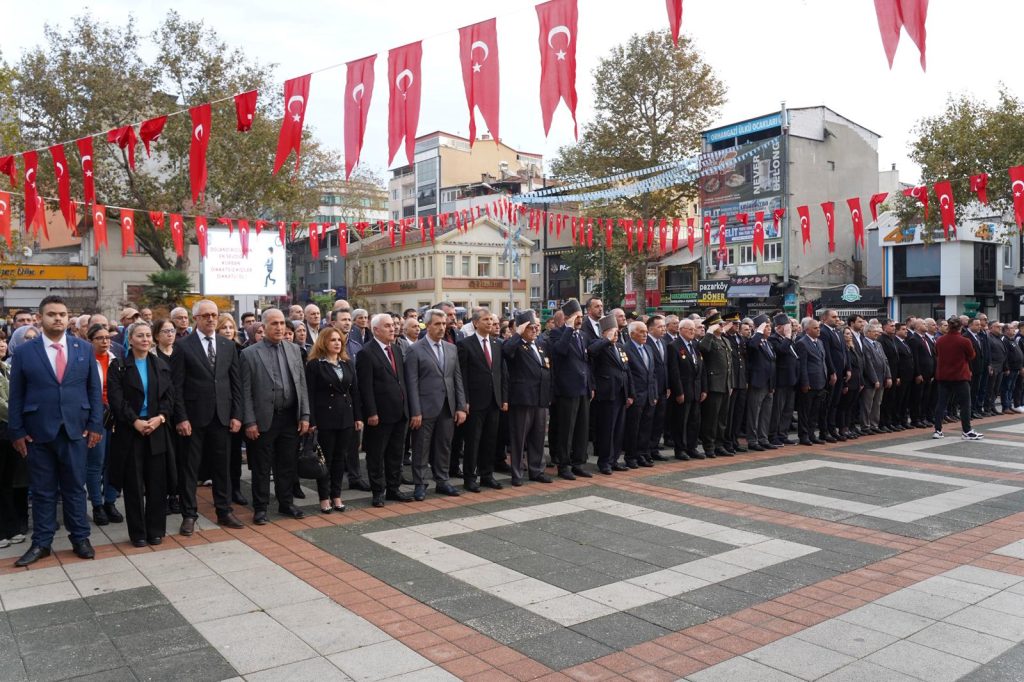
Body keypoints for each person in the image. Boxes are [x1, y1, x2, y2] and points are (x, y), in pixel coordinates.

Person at [8, 295, 104, 566]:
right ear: (40, 318)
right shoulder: (26, 351)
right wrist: (16, 431)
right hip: (37, 432)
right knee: (42, 491)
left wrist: (95, 424)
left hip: (76, 430)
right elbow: (16, 394)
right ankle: (42, 542)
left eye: (62, 314)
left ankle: (80, 538)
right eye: (52, 314)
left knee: (75, 487)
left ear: (68, 318)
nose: (58, 318)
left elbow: (94, 391)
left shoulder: (83, 349)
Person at [171, 299, 245, 535]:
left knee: (221, 468)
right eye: (206, 316)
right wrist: (181, 417)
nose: (211, 319)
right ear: (196, 319)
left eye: (214, 315)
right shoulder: (183, 346)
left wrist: (236, 414)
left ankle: (224, 511)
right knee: (190, 469)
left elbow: (235, 384)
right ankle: (189, 514)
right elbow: (176, 387)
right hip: (193, 418)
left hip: (222, 417)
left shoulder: (227, 345)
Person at [107, 322, 176, 546]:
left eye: (148, 335)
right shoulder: (118, 365)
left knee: (157, 481)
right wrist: (134, 420)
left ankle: (155, 530)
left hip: (156, 427)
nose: (145, 339)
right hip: (131, 430)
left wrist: (161, 417)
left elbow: (169, 396)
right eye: (140, 336)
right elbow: (116, 399)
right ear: (130, 339)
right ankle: (138, 533)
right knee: (134, 484)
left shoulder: (160, 364)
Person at [240, 308, 310, 524]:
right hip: (263, 419)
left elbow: (301, 384)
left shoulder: (294, 350)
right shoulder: (249, 353)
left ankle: (286, 503)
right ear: (264, 327)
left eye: (282, 323)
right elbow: (245, 391)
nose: (279, 327)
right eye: (274, 324)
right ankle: (260, 508)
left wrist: (305, 414)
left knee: (287, 463)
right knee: (261, 466)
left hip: (289, 417)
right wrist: (249, 421)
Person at [405, 309, 468, 499]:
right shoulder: (415, 349)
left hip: (447, 406)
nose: (442, 327)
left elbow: (457, 378)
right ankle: (420, 483)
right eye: (437, 324)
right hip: (425, 408)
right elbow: (412, 383)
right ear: (427, 325)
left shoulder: (451, 348)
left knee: (444, 446)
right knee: (421, 448)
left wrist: (460, 406)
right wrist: (415, 411)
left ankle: (442, 480)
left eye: (443, 324)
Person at [358, 314, 412, 507]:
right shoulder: (367, 353)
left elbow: (401, 381)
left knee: (396, 453)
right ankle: (377, 491)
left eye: (393, 325)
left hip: (400, 412)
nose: (392, 329)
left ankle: (393, 488)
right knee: (376, 454)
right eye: (387, 326)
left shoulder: (396, 350)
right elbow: (365, 387)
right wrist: (371, 412)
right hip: (380, 414)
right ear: (376, 330)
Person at [306, 327, 362, 513]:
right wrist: (312, 421)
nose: (337, 343)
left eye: (339, 340)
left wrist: (358, 417)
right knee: (325, 460)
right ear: (324, 342)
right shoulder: (315, 365)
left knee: (340, 459)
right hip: (325, 418)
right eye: (333, 340)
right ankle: (324, 498)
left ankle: (336, 495)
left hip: (345, 416)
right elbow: (310, 394)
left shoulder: (347, 363)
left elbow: (354, 391)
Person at [457, 307, 507, 492]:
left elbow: (501, 373)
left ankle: (487, 475)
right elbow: (462, 375)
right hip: (475, 402)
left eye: (491, 320)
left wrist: (503, 397)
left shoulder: (497, 344)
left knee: (490, 440)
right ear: (476, 322)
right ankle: (470, 478)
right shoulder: (465, 345)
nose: (490, 323)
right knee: (473, 441)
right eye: (486, 319)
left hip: (494, 400)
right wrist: (465, 401)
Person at [504, 310, 554, 484]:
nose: (534, 330)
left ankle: (536, 470)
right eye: (530, 327)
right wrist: (517, 334)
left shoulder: (540, 345)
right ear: (522, 329)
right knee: (519, 438)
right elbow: (506, 352)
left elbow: (547, 370)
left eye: (536, 327)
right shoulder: (516, 345)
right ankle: (517, 473)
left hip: (540, 398)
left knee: (538, 436)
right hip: (523, 399)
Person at [549, 299, 593, 479]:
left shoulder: (582, 335)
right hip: (566, 389)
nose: (580, 320)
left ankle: (578, 462)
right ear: (567, 318)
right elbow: (560, 350)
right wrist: (567, 328)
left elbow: (586, 362)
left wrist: (591, 385)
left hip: (583, 388)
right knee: (566, 429)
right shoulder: (556, 333)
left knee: (582, 428)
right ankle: (564, 465)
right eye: (576, 317)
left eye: (581, 317)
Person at [85, 323, 123, 526]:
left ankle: (110, 502)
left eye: (107, 338)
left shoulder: (117, 359)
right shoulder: (86, 361)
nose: (105, 341)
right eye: (100, 338)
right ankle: (97, 505)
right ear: (90, 341)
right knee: (96, 462)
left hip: (116, 416)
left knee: (114, 461)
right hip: (96, 417)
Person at [589, 313, 634, 474]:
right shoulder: (599, 344)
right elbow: (591, 352)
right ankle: (604, 462)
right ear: (605, 332)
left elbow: (626, 371)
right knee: (607, 430)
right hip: (607, 394)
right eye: (613, 332)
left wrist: (630, 394)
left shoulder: (620, 347)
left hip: (621, 393)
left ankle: (614, 459)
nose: (616, 335)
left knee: (618, 430)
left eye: (617, 332)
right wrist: (606, 339)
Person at [933, 317, 983, 440]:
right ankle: (966, 431)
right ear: (961, 327)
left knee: (941, 403)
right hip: (960, 376)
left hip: (943, 376)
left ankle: (937, 430)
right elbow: (972, 355)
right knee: (965, 404)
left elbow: (936, 353)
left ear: (948, 327)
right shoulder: (964, 341)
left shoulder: (939, 340)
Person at [217, 314, 248, 506]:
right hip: (219, 407)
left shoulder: (240, 350)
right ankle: (222, 491)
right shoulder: (214, 351)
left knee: (235, 453)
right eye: (224, 328)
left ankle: (235, 489)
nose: (228, 331)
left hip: (236, 407)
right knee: (221, 453)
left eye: (231, 327)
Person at [0, 353, 28, 549]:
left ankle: (11, 528)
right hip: (6, 425)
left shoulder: (7, 368)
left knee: (8, 481)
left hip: (9, 432)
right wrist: (19, 413)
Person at [667, 319, 705, 460]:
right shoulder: (674, 346)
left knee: (694, 421)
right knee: (681, 422)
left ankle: (692, 447)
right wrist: (679, 392)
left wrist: (704, 389)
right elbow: (674, 371)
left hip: (696, 390)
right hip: (683, 390)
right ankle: (680, 449)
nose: (692, 331)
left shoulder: (695, 345)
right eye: (689, 329)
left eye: (693, 329)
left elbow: (702, 368)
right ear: (681, 329)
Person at [623, 321, 657, 468]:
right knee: (633, 428)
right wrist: (630, 394)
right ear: (632, 334)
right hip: (636, 395)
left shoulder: (648, 348)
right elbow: (628, 374)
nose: (645, 334)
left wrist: (654, 393)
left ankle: (642, 454)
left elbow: (653, 373)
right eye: (641, 332)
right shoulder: (626, 349)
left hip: (649, 395)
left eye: (645, 331)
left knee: (646, 427)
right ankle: (631, 457)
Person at [699, 312, 733, 458]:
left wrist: (730, 384)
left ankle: (719, 444)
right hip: (714, 385)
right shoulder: (708, 340)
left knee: (722, 419)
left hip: (725, 385)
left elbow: (729, 365)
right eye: (718, 324)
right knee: (711, 419)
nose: (722, 326)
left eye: (721, 323)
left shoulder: (725, 341)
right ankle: (709, 446)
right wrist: (709, 333)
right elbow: (703, 350)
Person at [795, 318, 831, 445]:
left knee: (815, 411)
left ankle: (811, 434)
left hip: (820, 382)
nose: (818, 330)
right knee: (805, 411)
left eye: (818, 327)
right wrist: (805, 383)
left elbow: (822, 361)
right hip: (809, 383)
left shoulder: (820, 342)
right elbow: (802, 365)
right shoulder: (802, 343)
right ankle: (803, 435)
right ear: (807, 330)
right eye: (815, 328)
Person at [745, 315, 776, 452]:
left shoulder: (768, 343)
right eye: (766, 326)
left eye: (770, 326)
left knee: (765, 413)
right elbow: (752, 346)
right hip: (757, 383)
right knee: (754, 412)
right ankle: (752, 439)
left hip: (769, 383)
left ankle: (763, 438)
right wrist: (758, 331)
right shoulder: (754, 340)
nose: (769, 329)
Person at [645, 315, 671, 462]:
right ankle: (646, 450)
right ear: (650, 329)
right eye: (660, 327)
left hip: (663, 388)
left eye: (664, 326)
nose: (663, 329)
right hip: (651, 389)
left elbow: (664, 366)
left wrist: (667, 386)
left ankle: (654, 448)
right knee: (650, 421)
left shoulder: (663, 342)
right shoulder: (646, 342)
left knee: (659, 421)